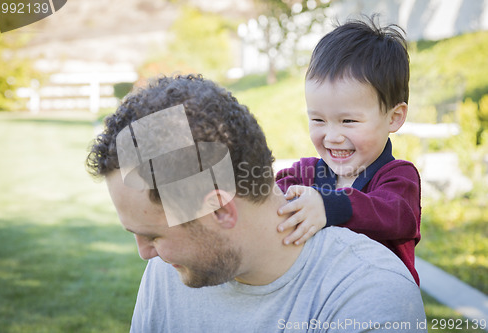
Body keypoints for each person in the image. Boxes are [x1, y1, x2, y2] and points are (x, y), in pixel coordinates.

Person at [86, 74, 426, 332]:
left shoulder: (369, 294)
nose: (145, 252)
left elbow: (398, 212)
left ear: (220, 209)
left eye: (153, 235)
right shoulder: (167, 271)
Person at [275, 17, 422, 285]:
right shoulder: (305, 174)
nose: (332, 137)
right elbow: (271, 196)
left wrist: (328, 206)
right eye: (318, 120)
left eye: (348, 121)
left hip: (377, 307)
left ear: (394, 117)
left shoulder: (398, 178)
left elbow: (395, 216)